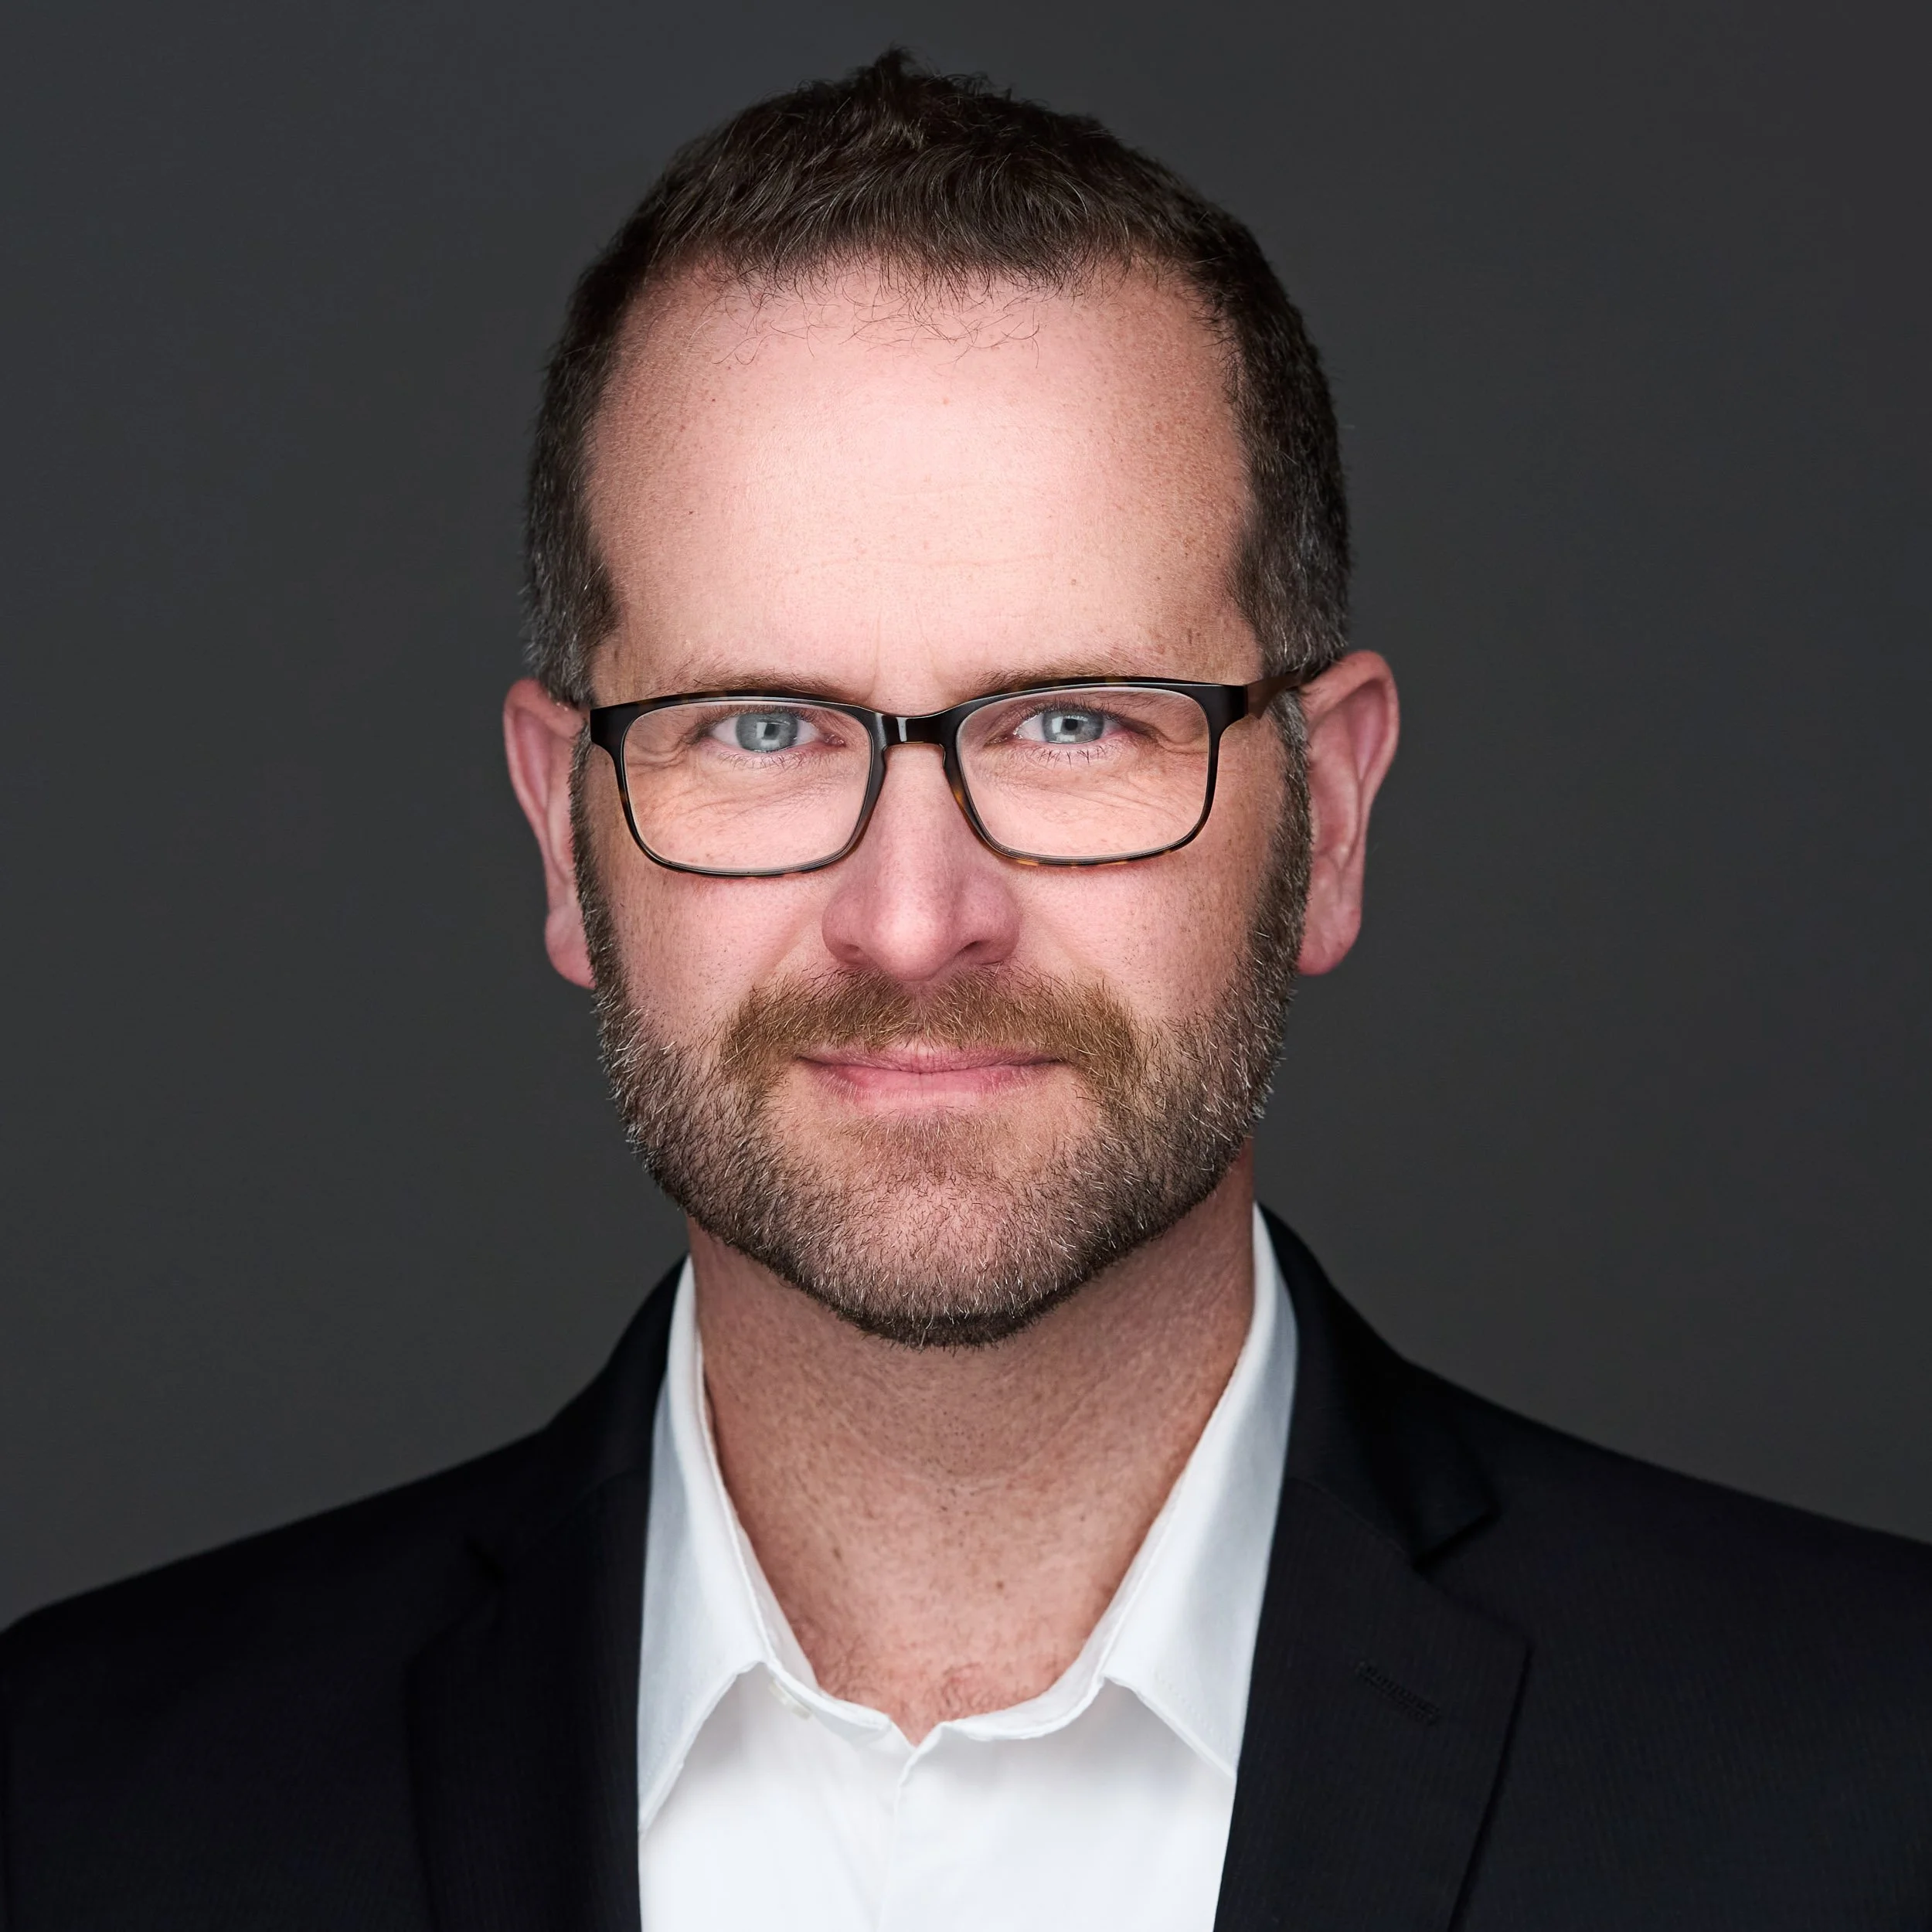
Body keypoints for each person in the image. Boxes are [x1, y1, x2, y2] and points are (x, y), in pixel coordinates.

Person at [3, 49, 1928, 1932]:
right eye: (759, 726)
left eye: (1073, 720)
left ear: (1328, 817)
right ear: (562, 835)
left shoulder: (1869, 1781)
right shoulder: (78, 1808)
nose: (913, 919)